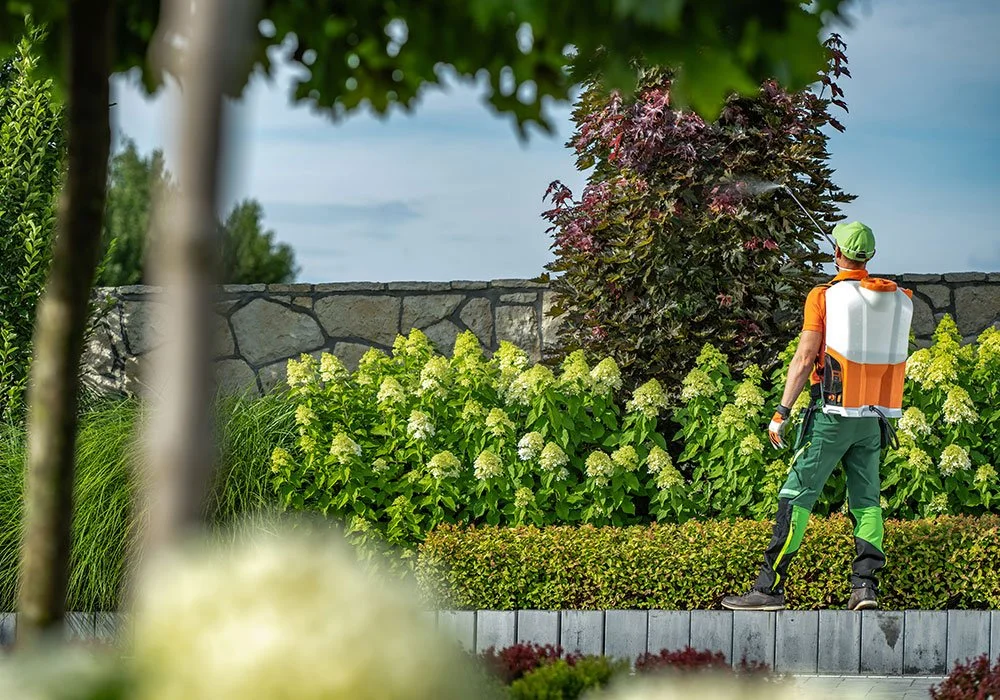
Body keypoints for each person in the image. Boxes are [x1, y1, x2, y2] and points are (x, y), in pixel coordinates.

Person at [722, 221, 909, 612]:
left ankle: (769, 589)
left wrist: (781, 411)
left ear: (837, 253)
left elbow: (806, 356)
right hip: (872, 417)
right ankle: (864, 587)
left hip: (831, 415)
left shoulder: (824, 296)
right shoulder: (890, 297)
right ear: (870, 256)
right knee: (866, 501)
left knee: (796, 494)